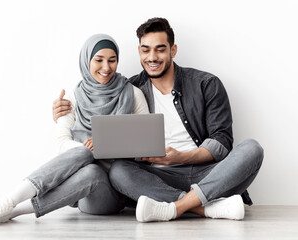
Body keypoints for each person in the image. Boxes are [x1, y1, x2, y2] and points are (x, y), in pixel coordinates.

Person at [52, 18, 264, 222]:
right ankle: (204, 207)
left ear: (173, 50)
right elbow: (99, 116)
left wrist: (181, 157)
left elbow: (222, 142)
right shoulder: (129, 90)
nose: (152, 57)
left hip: (207, 173)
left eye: (160, 49)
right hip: (157, 176)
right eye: (146, 50)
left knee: (252, 149)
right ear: (139, 52)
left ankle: (175, 208)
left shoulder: (206, 83)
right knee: (119, 171)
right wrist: (64, 113)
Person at [0, 33, 149, 226]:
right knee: (87, 163)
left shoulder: (133, 95)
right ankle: (6, 205)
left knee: (91, 167)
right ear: (86, 61)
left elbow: (146, 146)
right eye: (98, 60)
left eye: (112, 60)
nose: (106, 67)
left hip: (111, 195)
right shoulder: (73, 97)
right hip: (80, 187)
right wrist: (89, 151)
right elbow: (61, 141)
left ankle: (9, 208)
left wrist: (107, 144)